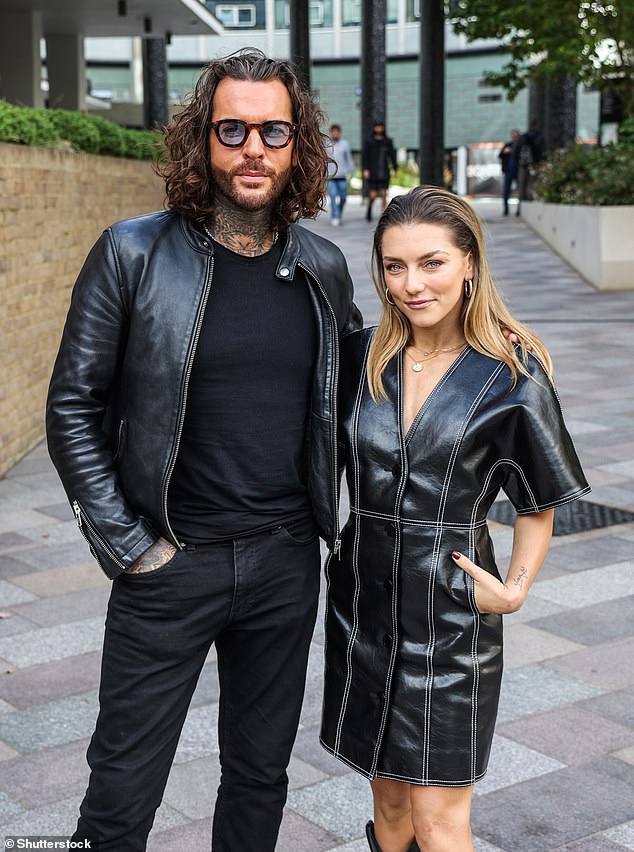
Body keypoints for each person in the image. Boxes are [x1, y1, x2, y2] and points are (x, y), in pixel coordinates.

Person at [46, 48, 361, 852]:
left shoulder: (322, 268)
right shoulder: (133, 254)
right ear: (203, 139)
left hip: (285, 563)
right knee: (120, 796)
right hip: (168, 563)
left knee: (259, 784)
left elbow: (365, 401)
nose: (254, 148)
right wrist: (129, 546)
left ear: (299, 148)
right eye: (234, 129)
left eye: (274, 131)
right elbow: (72, 407)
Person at [320, 186, 590, 852]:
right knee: (388, 807)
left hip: (450, 621)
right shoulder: (359, 361)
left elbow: (539, 501)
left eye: (431, 263)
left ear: (469, 263)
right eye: (394, 266)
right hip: (365, 607)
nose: (411, 284)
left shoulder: (512, 376)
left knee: (440, 822)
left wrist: (516, 587)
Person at [362, 119, 397, 222]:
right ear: (374, 128)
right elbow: (365, 156)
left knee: (384, 194)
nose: (378, 129)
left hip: (384, 171)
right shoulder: (369, 141)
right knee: (372, 195)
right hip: (373, 172)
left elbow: (392, 156)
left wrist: (395, 168)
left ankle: (384, 216)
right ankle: (369, 209)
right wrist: (365, 169)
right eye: (377, 126)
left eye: (380, 126)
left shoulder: (387, 141)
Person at [327, 122, 355, 226]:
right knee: (333, 196)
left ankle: (339, 213)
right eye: (333, 132)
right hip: (330, 176)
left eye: (337, 132)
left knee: (343, 198)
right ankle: (335, 216)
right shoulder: (327, 145)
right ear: (330, 133)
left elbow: (349, 159)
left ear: (340, 133)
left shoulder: (345, 144)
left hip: (342, 175)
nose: (335, 134)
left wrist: (351, 171)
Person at [517, 119, 545, 215]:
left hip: (523, 164)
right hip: (534, 164)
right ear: (537, 125)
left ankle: (520, 209)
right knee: (532, 185)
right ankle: (530, 210)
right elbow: (541, 151)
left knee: (522, 186)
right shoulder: (540, 136)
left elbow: (517, 150)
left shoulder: (524, 136)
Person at [498, 128, 520, 216]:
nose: (514, 137)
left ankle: (519, 210)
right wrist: (505, 152)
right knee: (506, 191)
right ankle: (506, 209)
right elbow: (500, 155)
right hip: (508, 171)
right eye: (513, 136)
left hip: (517, 171)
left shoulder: (519, 145)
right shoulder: (508, 145)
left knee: (519, 191)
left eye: (516, 136)